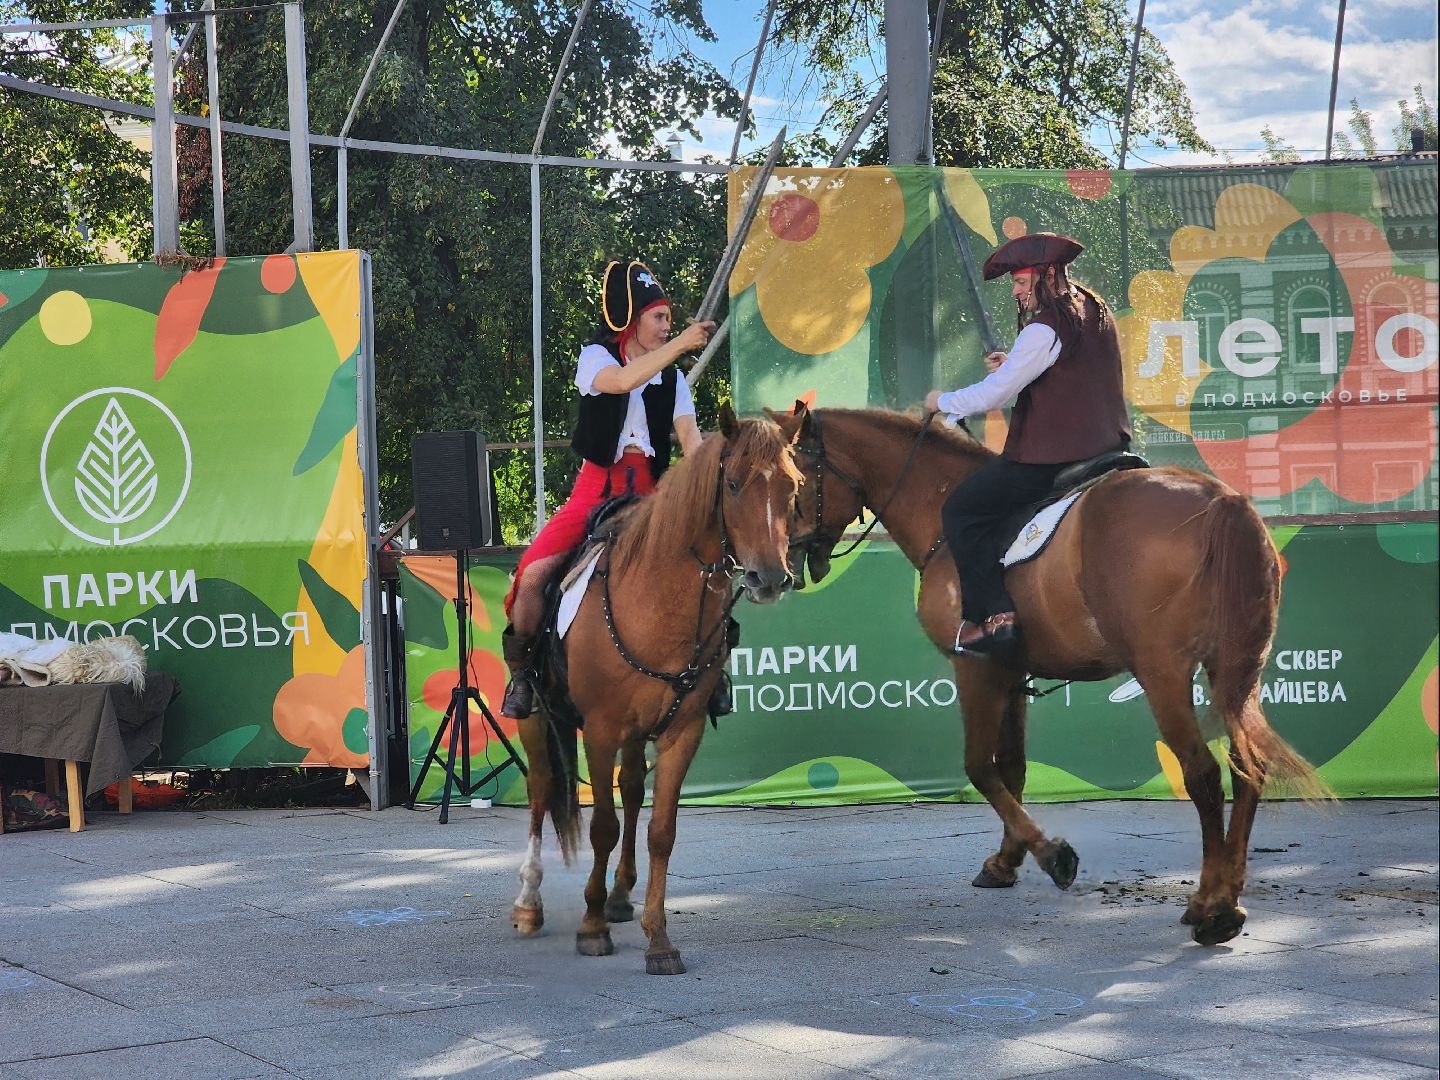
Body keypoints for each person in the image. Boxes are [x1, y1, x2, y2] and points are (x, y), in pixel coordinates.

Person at [500, 259, 714, 718]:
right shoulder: (596, 357)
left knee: (709, 565)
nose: (665, 326)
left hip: (652, 497)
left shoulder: (673, 380)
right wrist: (680, 344)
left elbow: (692, 442)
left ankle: (713, 673)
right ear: (634, 320)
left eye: (670, 321)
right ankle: (523, 677)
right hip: (595, 492)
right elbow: (620, 383)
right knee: (532, 577)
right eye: (659, 317)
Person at [923, 232, 1130, 658]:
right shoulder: (1094, 307)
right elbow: (1069, 372)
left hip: (1053, 458)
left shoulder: (1044, 328)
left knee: (962, 512)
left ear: (1048, 275)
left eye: (1021, 282)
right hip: (1109, 446)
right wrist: (1013, 367)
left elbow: (994, 397)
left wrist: (941, 402)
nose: (1016, 292)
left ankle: (994, 620)